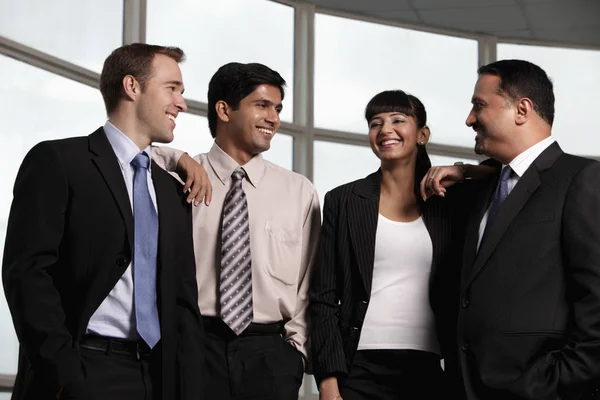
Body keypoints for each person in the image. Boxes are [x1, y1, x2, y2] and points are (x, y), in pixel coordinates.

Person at [2, 43, 203, 400]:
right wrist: (64, 374)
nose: (182, 103)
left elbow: (183, 302)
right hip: (82, 372)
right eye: (172, 88)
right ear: (132, 87)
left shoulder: (173, 194)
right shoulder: (58, 162)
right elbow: (27, 273)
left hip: (157, 378)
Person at [421, 59, 600, 400]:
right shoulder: (483, 187)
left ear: (522, 110)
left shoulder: (583, 179)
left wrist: (559, 382)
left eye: (479, 105)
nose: (469, 119)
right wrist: (467, 171)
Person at [153, 62, 321, 400]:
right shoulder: (174, 179)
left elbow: (310, 284)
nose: (274, 118)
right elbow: (128, 155)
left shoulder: (299, 191)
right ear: (224, 110)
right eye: (262, 105)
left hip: (270, 356)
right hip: (193, 347)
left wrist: (295, 354)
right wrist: (176, 158)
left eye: (278, 108)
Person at [309, 89, 475, 400]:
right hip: (358, 367)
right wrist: (328, 381)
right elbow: (323, 297)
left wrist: (463, 170)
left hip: (429, 367)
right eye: (376, 123)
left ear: (422, 134)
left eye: (398, 120)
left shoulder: (451, 203)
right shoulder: (344, 200)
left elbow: (509, 174)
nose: (385, 129)